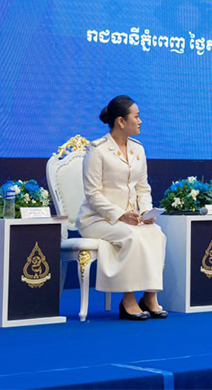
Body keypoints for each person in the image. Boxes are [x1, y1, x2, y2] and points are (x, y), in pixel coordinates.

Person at [78, 96, 168, 320]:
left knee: (156, 233)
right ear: (120, 121)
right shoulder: (97, 150)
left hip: (131, 218)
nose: (140, 121)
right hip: (97, 219)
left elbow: (142, 187)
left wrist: (145, 212)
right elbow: (93, 194)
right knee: (132, 236)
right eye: (136, 116)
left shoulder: (138, 149)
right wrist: (120, 215)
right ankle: (128, 299)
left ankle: (150, 296)